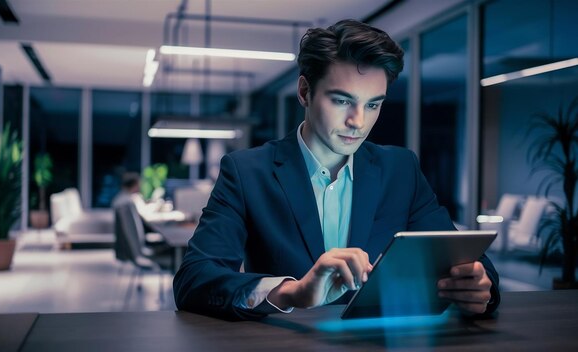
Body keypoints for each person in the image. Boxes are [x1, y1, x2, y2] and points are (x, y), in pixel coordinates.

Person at [173, 19, 500, 321]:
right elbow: (194, 280)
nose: (358, 121)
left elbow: (467, 260)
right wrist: (292, 292)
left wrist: (478, 285)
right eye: (342, 101)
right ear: (305, 92)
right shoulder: (246, 171)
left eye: (373, 104)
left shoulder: (401, 169)